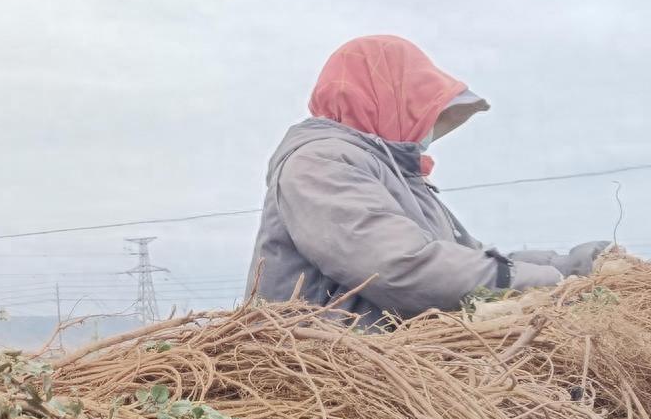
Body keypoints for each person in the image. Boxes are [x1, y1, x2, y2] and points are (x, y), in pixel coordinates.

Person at [247, 35, 607, 326]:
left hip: (390, 370)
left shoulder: (401, 178)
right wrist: (555, 285)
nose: (428, 128)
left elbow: (468, 259)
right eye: (419, 109)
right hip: (330, 380)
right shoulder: (320, 163)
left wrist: (571, 266)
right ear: (386, 99)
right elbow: (400, 266)